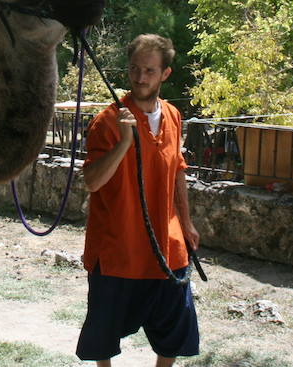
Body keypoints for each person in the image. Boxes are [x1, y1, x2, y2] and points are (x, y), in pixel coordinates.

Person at [76, 34, 200, 366]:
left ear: (165, 74)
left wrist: (186, 223)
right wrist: (123, 142)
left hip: (166, 246)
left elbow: (177, 172)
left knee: (173, 329)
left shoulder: (173, 116)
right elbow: (92, 181)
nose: (140, 78)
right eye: (134, 69)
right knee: (104, 334)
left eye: (149, 70)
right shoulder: (108, 121)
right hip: (119, 249)